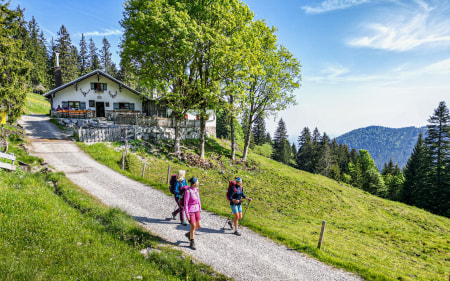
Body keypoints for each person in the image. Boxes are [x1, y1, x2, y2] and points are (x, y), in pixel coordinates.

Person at [184, 177, 202, 250]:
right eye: (197, 181)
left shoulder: (196, 190)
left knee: (199, 225)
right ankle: (192, 241)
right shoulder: (188, 191)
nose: (198, 182)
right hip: (190, 210)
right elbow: (185, 203)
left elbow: (198, 200)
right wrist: (187, 214)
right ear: (194, 183)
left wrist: (200, 208)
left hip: (197, 209)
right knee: (193, 226)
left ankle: (189, 234)